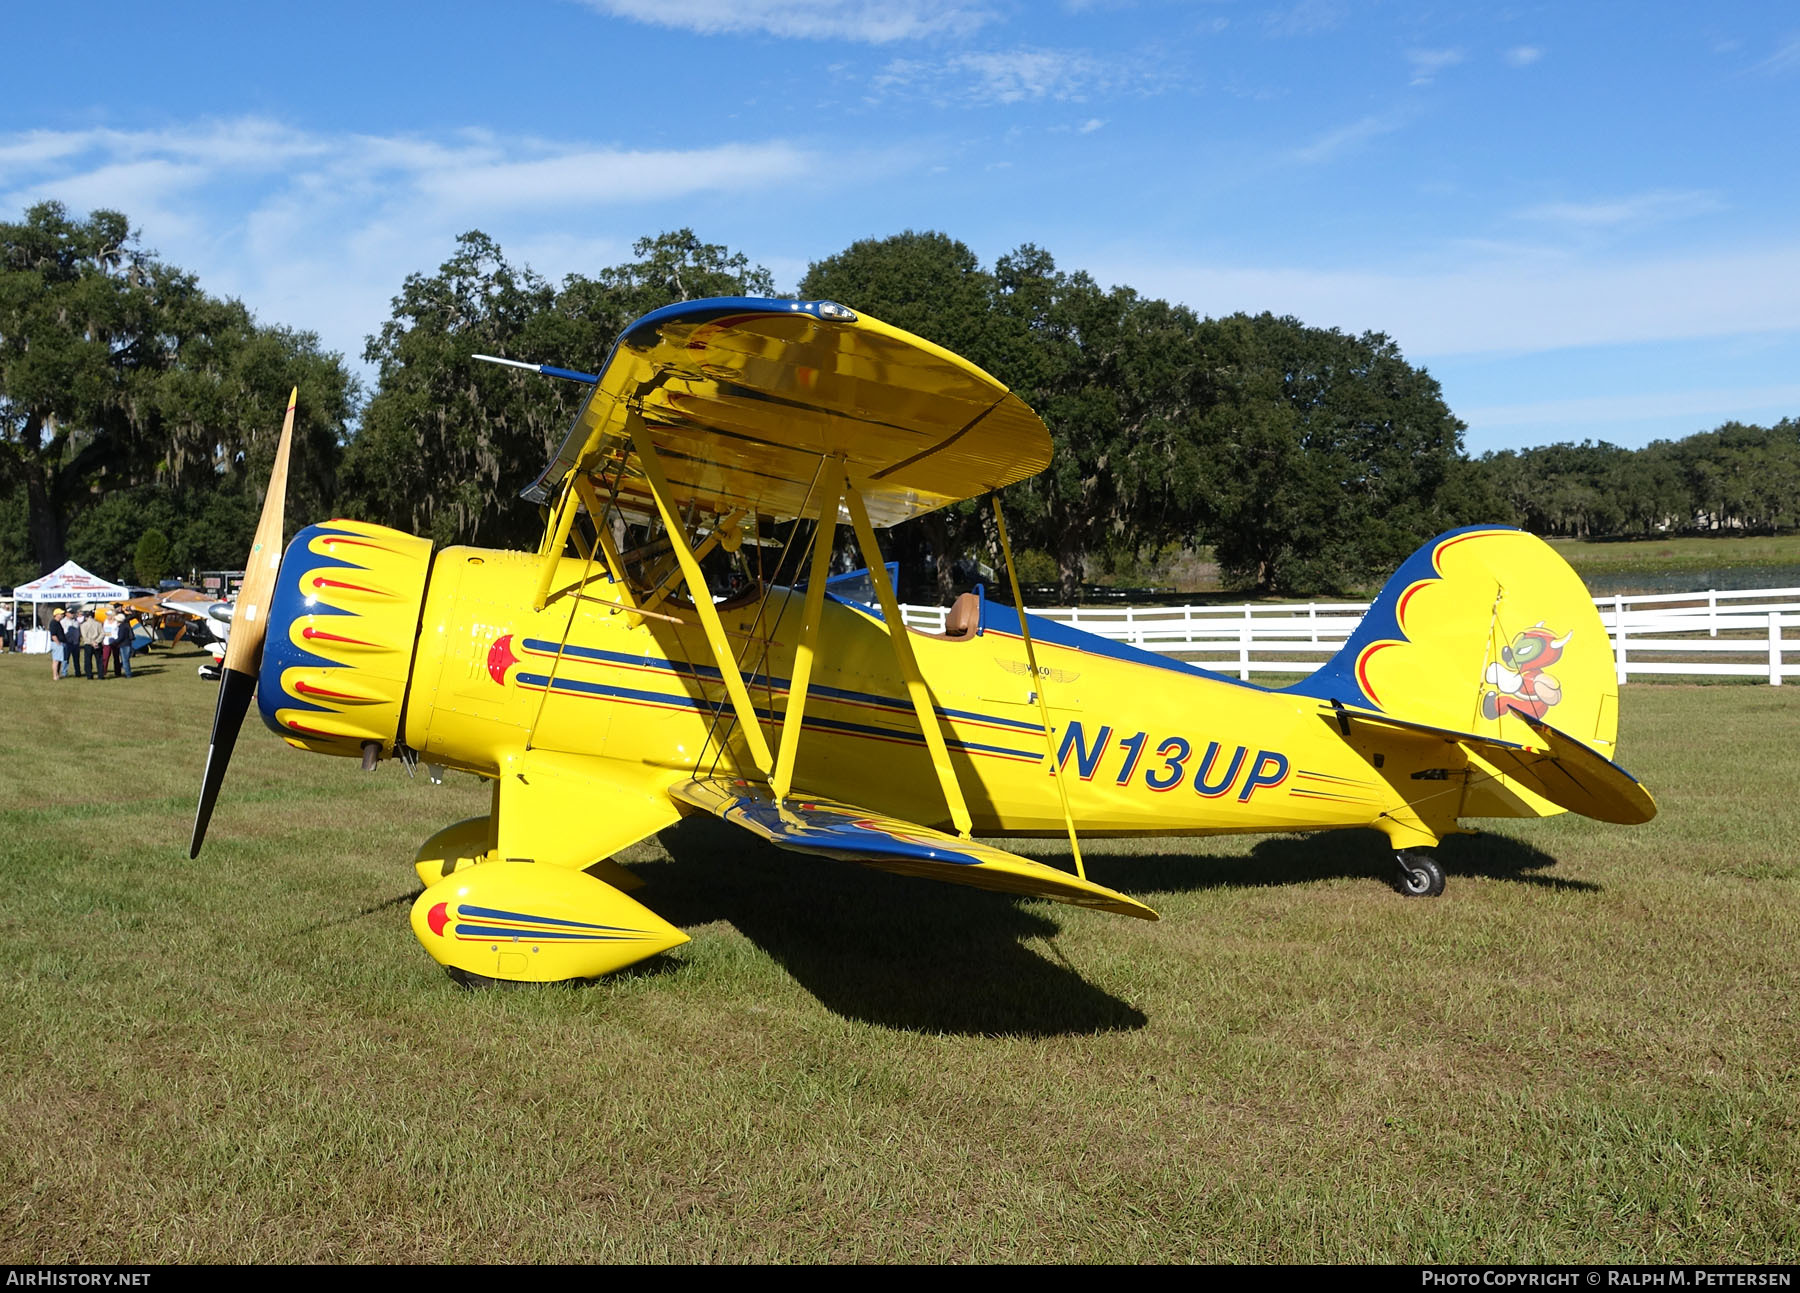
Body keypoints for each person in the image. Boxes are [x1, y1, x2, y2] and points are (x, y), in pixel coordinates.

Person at [79, 610, 102, 679]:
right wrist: (96, 641)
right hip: (97, 644)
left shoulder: (83, 625)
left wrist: (91, 642)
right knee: (99, 660)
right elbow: (102, 633)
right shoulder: (98, 624)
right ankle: (100, 675)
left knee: (88, 660)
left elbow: (84, 636)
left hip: (88, 644)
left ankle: (89, 675)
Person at [49, 610, 66, 680]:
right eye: (61, 614)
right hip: (56, 643)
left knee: (58, 660)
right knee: (56, 660)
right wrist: (58, 643)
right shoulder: (53, 623)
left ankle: (57, 674)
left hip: (59, 643)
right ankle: (55, 675)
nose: (62, 615)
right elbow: (53, 635)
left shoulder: (58, 623)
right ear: (56, 615)